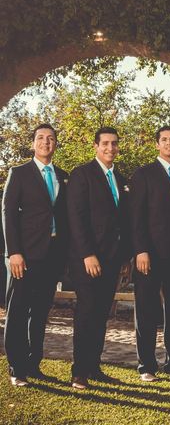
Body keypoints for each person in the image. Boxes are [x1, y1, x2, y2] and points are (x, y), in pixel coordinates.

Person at [2, 124, 69, 387]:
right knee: (17, 310)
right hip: (24, 256)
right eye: (40, 138)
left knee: (40, 312)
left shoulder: (63, 176)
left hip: (52, 256)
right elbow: (7, 214)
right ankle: (16, 368)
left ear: (55, 144)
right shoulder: (19, 173)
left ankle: (33, 364)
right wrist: (14, 252)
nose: (46, 142)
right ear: (33, 143)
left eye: (51, 138)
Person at [67, 126, 132, 390]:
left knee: (101, 313)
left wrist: (125, 257)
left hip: (113, 259)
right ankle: (78, 372)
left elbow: (124, 222)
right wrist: (87, 254)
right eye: (105, 143)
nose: (110, 148)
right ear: (95, 146)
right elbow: (76, 217)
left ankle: (93, 367)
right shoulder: (82, 174)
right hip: (89, 259)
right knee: (86, 312)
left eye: (114, 144)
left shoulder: (120, 178)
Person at [129, 126, 170, 382]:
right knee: (146, 310)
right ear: (157, 144)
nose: (169, 143)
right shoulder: (143, 174)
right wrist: (140, 250)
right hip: (149, 256)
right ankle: (146, 366)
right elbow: (136, 216)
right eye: (164, 139)